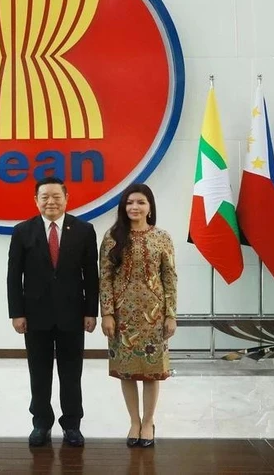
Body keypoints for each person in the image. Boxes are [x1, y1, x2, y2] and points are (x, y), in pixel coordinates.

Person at [7, 176, 99, 448]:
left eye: (56, 196)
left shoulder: (83, 230)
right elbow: (14, 276)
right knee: (39, 372)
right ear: (36, 200)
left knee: (71, 373)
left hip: (73, 314)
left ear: (66, 198)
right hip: (35, 316)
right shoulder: (23, 231)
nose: (51, 201)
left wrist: (91, 311)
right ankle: (41, 423)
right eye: (44, 197)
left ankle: (72, 424)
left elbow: (91, 276)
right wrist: (17, 313)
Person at [99, 183, 177, 448]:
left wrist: (171, 314)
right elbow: (105, 278)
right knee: (127, 372)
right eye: (130, 202)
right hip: (122, 317)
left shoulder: (162, 237)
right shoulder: (112, 237)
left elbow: (170, 277)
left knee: (152, 371)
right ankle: (134, 420)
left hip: (154, 316)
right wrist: (107, 313)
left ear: (150, 207)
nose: (135, 207)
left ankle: (148, 421)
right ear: (124, 206)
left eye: (141, 202)